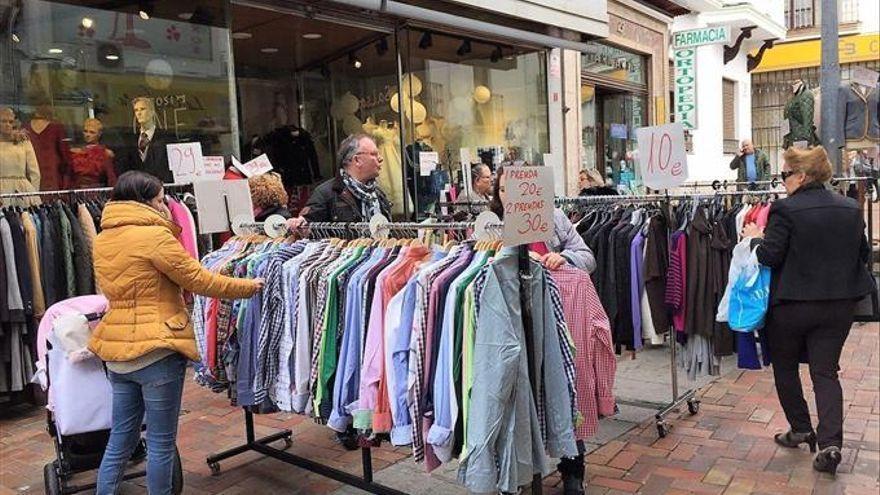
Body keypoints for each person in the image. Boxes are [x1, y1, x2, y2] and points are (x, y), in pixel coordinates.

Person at [89, 171, 264, 494]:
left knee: (120, 440)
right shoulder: (154, 237)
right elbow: (199, 280)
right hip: (157, 348)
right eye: (159, 200)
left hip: (117, 353)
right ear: (144, 202)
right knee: (160, 443)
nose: (164, 206)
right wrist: (249, 286)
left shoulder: (102, 238)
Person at [743, 146, 874, 476]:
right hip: (839, 305)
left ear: (802, 176)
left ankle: (800, 428)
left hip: (792, 306)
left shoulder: (784, 210)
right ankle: (831, 444)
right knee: (825, 372)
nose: (782, 180)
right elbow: (861, 254)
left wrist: (756, 239)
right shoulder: (849, 208)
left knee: (785, 367)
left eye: (785, 174)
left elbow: (770, 256)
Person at [488, 164, 595, 274]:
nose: (509, 195)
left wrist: (564, 258)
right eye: (502, 190)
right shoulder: (492, 227)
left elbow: (588, 259)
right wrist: (518, 259)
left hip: (555, 289)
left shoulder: (555, 218)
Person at [286, 134, 390, 231]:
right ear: (357, 160)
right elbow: (306, 226)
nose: (380, 158)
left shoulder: (378, 194)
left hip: (378, 250)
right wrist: (299, 225)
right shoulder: (327, 193)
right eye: (374, 154)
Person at [117, 97, 173, 182]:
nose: (139, 113)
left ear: (152, 112)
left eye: (142, 109)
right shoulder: (130, 141)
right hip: (138, 188)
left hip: (160, 187)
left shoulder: (166, 137)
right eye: (136, 110)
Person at [69, 117, 117, 188]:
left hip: (97, 191)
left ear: (99, 134)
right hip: (76, 191)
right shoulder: (75, 152)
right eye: (85, 131)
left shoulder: (105, 153)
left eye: (92, 132)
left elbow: (111, 179)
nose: (87, 135)